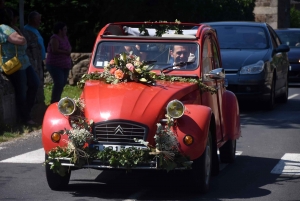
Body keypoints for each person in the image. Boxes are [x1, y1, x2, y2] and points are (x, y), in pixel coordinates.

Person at [0, 8, 40, 125]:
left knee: (34, 83)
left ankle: (26, 114)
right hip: (14, 64)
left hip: (24, 62)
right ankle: (25, 118)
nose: (16, 21)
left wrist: (17, 30)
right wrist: (20, 35)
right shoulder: (3, 28)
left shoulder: (11, 28)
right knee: (21, 91)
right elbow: (21, 40)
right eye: (15, 19)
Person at [45, 22, 72, 104]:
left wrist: (69, 50)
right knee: (59, 82)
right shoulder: (54, 38)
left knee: (62, 83)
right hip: (55, 65)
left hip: (64, 65)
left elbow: (69, 46)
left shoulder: (65, 37)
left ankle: (57, 99)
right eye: (64, 29)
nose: (66, 31)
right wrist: (65, 52)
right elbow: (55, 50)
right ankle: (54, 101)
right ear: (60, 30)